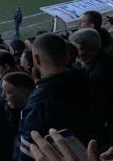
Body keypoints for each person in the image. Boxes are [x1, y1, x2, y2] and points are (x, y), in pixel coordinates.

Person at [14, 33, 94, 161]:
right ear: (67, 56)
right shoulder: (84, 77)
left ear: (37, 59)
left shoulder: (38, 102)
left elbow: (26, 152)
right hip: (92, 151)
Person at [70, 28, 113, 142]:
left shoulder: (99, 73)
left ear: (83, 48)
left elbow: (100, 105)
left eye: (75, 48)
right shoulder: (102, 60)